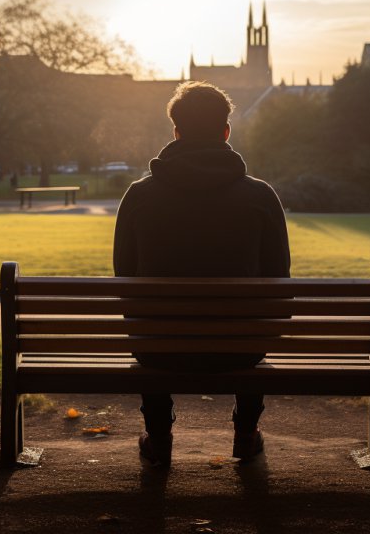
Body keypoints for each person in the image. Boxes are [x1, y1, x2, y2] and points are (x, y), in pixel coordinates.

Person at [113, 81, 291, 467]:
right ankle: (245, 433)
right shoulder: (261, 196)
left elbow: (124, 280)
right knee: (250, 319)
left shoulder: (139, 196)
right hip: (241, 348)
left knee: (149, 323)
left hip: (159, 345)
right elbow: (279, 282)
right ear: (225, 132)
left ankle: (159, 436)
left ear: (175, 132)